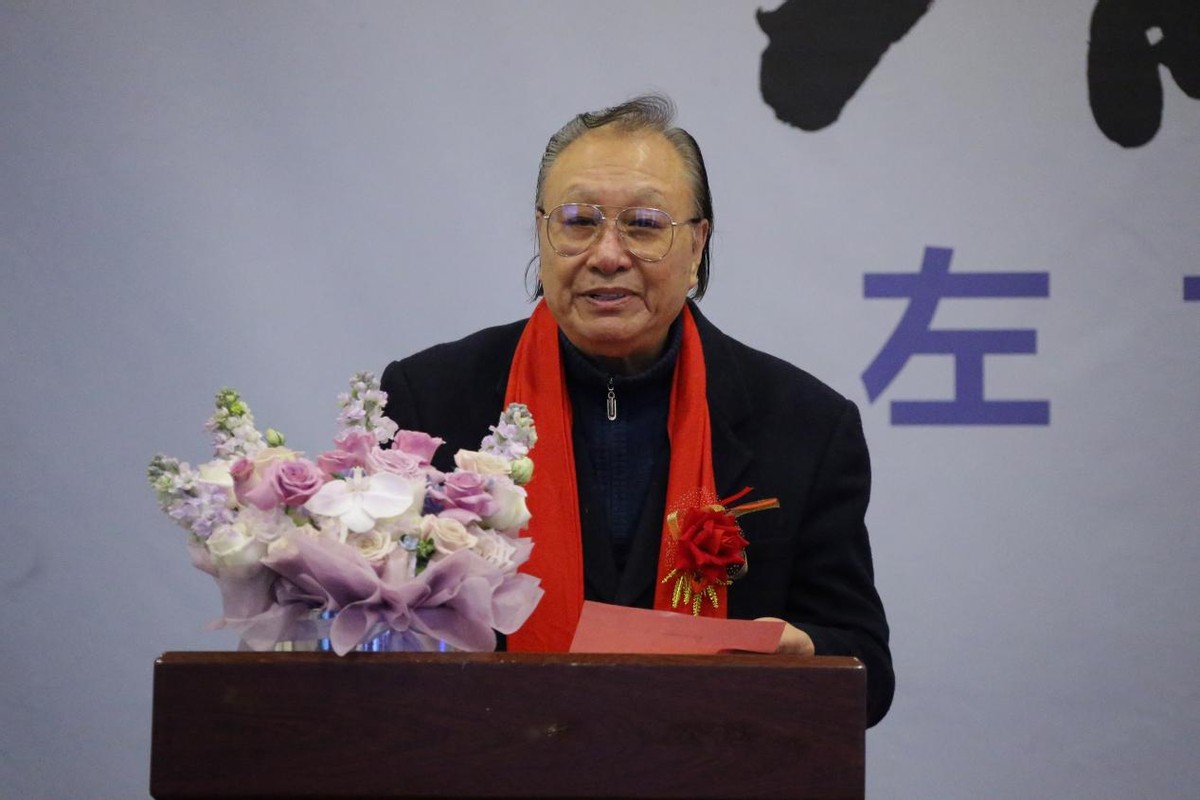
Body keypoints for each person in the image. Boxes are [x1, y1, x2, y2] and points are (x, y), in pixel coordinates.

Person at [381, 94, 893, 726]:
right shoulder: (429, 399)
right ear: (541, 232)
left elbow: (868, 673)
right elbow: (378, 646)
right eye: (578, 221)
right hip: (489, 756)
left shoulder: (806, 425)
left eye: (644, 224)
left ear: (698, 244)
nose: (607, 254)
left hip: (710, 759)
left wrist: (803, 653)